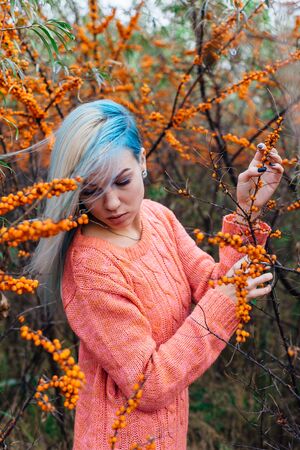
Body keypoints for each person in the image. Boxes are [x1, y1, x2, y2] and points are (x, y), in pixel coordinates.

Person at [29, 99, 283, 449]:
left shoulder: (158, 218)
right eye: (91, 190)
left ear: (142, 161)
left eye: (122, 181)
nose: (113, 203)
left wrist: (247, 211)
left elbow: (215, 287)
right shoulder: (91, 267)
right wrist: (225, 298)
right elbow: (150, 384)